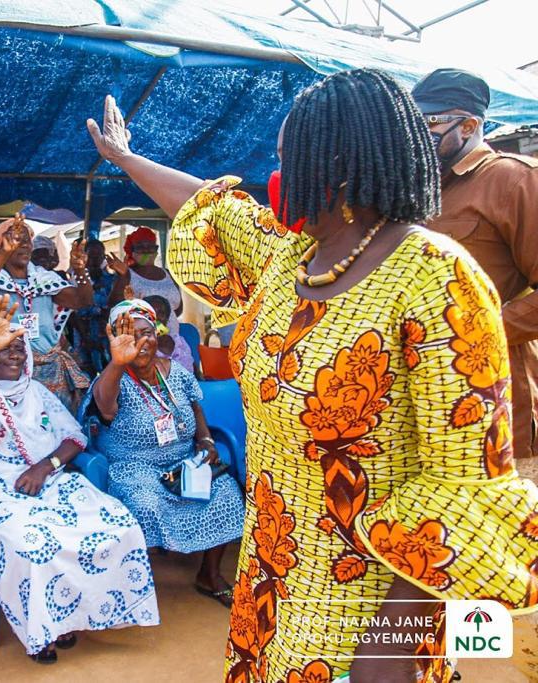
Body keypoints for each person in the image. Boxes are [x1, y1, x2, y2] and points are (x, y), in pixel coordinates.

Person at [87, 70, 538, 681]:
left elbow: (458, 485)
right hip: (270, 574)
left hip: (364, 601)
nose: (278, 176)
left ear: (339, 167)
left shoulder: (435, 278)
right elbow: (208, 209)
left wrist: (395, 648)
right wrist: (124, 157)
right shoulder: (290, 258)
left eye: (286, 159)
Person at [0, 296, 159, 663]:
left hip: (51, 479)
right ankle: (41, 632)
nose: (14, 355)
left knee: (118, 524)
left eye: (19, 349)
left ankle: (72, 615)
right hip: (0, 489)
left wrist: (45, 466)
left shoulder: (38, 392)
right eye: (4, 349)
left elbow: (73, 438)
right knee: (36, 544)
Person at [411, 68, 538, 468]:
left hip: (499, 388)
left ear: (469, 125)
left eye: (431, 123)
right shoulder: (420, 189)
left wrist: (477, 330)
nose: (419, 135)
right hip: (433, 389)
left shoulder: (513, 181)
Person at [81, 300, 243, 606]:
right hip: (134, 466)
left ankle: (208, 575)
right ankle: (133, 586)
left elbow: (197, 410)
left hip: (183, 461)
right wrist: (117, 362)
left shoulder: (177, 372)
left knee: (225, 491)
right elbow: (104, 406)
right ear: (116, 340)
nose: (143, 342)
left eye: (148, 332)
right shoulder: (115, 378)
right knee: (144, 502)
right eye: (131, 336)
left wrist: (206, 442)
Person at [0, 215, 92, 409]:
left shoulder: (44, 279)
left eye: (27, 240)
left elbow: (82, 301)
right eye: (16, 239)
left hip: (50, 370)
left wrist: (80, 271)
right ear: (0, 245)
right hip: (10, 369)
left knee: (57, 430)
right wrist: (3, 254)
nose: (24, 244)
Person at [108, 227, 183, 335]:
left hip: (172, 340)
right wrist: (124, 275)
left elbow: (178, 310)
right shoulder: (126, 274)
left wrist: (165, 326)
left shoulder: (168, 274)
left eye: (151, 246)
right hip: (143, 339)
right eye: (140, 247)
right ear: (131, 251)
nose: (146, 250)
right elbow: (114, 305)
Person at [70, 239, 116, 375]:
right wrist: (85, 337)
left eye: (99, 256)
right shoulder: (76, 278)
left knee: (109, 372)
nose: (95, 260)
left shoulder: (111, 279)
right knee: (84, 373)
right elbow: (71, 313)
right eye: (91, 255)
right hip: (83, 332)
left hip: (105, 334)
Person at [145, 294, 194, 373]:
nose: (156, 317)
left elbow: (189, 371)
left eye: (161, 313)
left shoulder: (179, 342)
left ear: (167, 318)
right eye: (151, 313)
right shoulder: (139, 345)